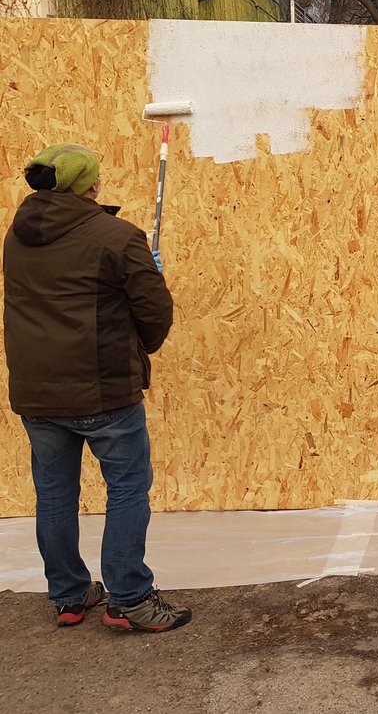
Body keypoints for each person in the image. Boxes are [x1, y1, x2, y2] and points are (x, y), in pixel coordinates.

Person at [3, 143, 191, 631]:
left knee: (54, 494)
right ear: (91, 185)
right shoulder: (118, 237)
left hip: (37, 393)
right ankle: (130, 598)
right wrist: (146, 304)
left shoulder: (15, 237)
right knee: (127, 488)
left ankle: (69, 595)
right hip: (103, 391)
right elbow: (154, 310)